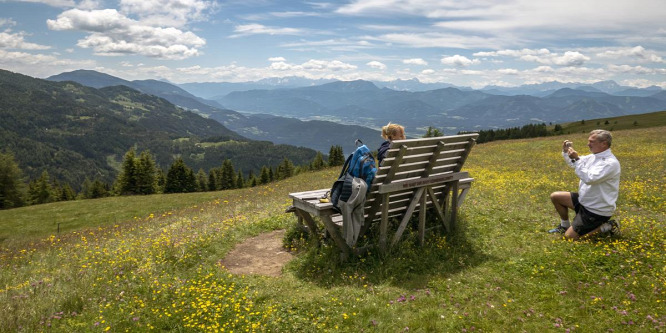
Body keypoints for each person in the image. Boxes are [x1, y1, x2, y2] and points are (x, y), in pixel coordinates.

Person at [548, 129, 621, 240]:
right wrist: (566, 152)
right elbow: (575, 164)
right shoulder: (594, 157)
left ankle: (606, 226)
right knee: (556, 196)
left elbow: (589, 178)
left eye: (592, 142)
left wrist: (577, 159)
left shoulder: (610, 163)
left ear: (604, 143)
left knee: (570, 238)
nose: (588, 144)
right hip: (585, 201)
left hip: (596, 210)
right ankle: (564, 225)